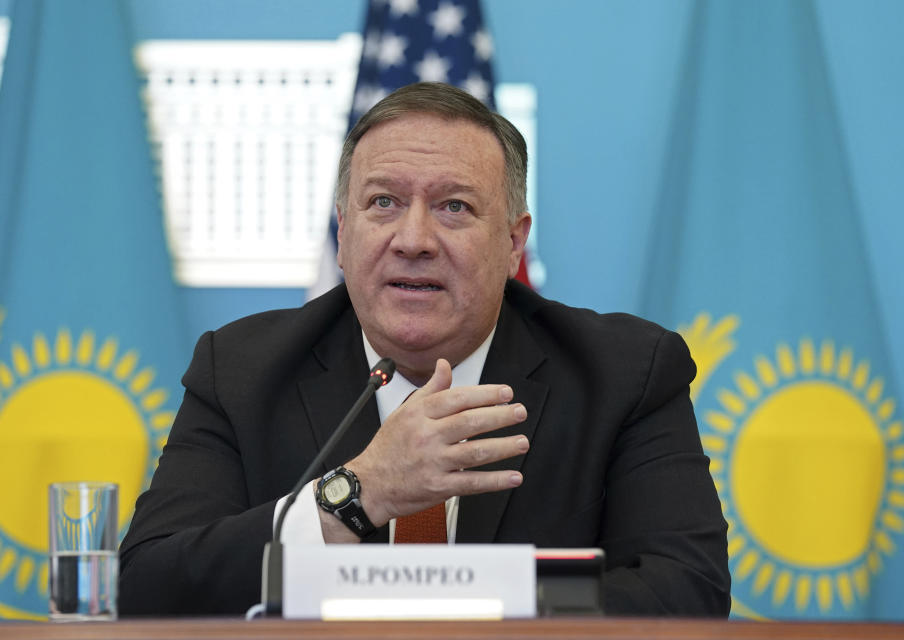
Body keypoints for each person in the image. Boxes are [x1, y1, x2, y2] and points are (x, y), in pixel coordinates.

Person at [119, 82, 731, 616]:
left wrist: (462, 600)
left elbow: (689, 592)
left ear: (513, 244)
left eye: (454, 207)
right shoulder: (243, 369)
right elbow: (147, 586)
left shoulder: (624, 374)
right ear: (343, 231)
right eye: (383, 202)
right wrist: (357, 496)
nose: (413, 240)